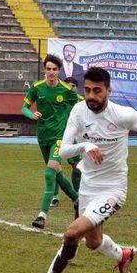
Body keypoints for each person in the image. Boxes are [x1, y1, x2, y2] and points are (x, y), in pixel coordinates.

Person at [35, 67, 137, 273]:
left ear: (108, 90)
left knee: (72, 233)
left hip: (113, 190)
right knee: (93, 242)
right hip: (87, 186)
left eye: (97, 91)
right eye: (88, 90)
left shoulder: (122, 114)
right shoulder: (78, 111)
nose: (91, 95)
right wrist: (86, 145)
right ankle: (124, 255)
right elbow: (63, 151)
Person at [22, 54, 79, 229]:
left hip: (60, 138)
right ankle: (77, 199)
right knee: (57, 173)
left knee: (49, 173)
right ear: (44, 70)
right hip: (43, 136)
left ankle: (42, 216)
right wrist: (32, 114)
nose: (51, 72)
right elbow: (24, 107)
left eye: (54, 69)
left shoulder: (67, 90)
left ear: (59, 71)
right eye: (48, 69)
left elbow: (77, 108)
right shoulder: (37, 88)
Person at [50, 76, 84, 208]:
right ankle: (54, 197)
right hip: (59, 137)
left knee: (77, 167)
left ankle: (77, 195)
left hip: (75, 139)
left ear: (76, 87)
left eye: (73, 86)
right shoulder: (59, 99)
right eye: (68, 85)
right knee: (55, 166)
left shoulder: (81, 102)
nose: (71, 88)